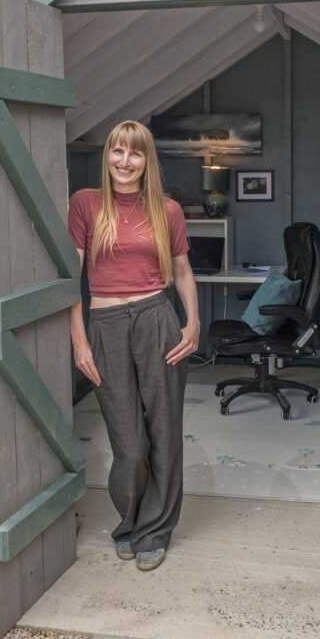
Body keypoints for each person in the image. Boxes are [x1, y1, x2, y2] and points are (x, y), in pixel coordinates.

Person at [67, 120, 199, 571]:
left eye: (135, 153)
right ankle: (128, 523)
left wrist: (193, 323)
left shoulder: (168, 210)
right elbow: (72, 280)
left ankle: (155, 530)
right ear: (107, 156)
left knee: (164, 431)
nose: (125, 161)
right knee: (128, 442)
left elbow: (181, 272)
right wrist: (79, 338)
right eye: (117, 152)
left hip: (155, 318)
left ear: (147, 161)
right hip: (104, 324)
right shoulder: (86, 204)